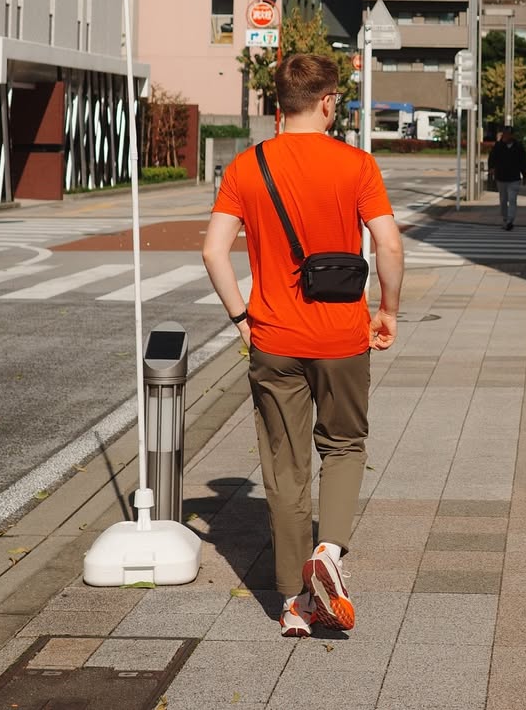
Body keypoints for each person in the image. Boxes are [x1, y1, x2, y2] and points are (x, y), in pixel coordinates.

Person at [201, 54, 405, 639]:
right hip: (343, 336)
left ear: (277, 105)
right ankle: (330, 552)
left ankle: (293, 602)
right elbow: (388, 247)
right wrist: (386, 311)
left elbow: (214, 252)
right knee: (343, 445)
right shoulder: (356, 164)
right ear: (325, 102)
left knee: (284, 468)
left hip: (274, 338)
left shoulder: (246, 167)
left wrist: (241, 317)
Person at [488, 123, 526, 230]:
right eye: (504, 134)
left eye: (508, 134)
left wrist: (525, 175)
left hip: (514, 178)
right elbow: (492, 158)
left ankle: (510, 220)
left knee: (512, 199)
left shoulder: (518, 147)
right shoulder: (498, 146)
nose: (505, 136)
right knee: (503, 199)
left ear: (512, 135)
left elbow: (523, 162)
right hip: (501, 177)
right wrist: (491, 168)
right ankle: (505, 218)